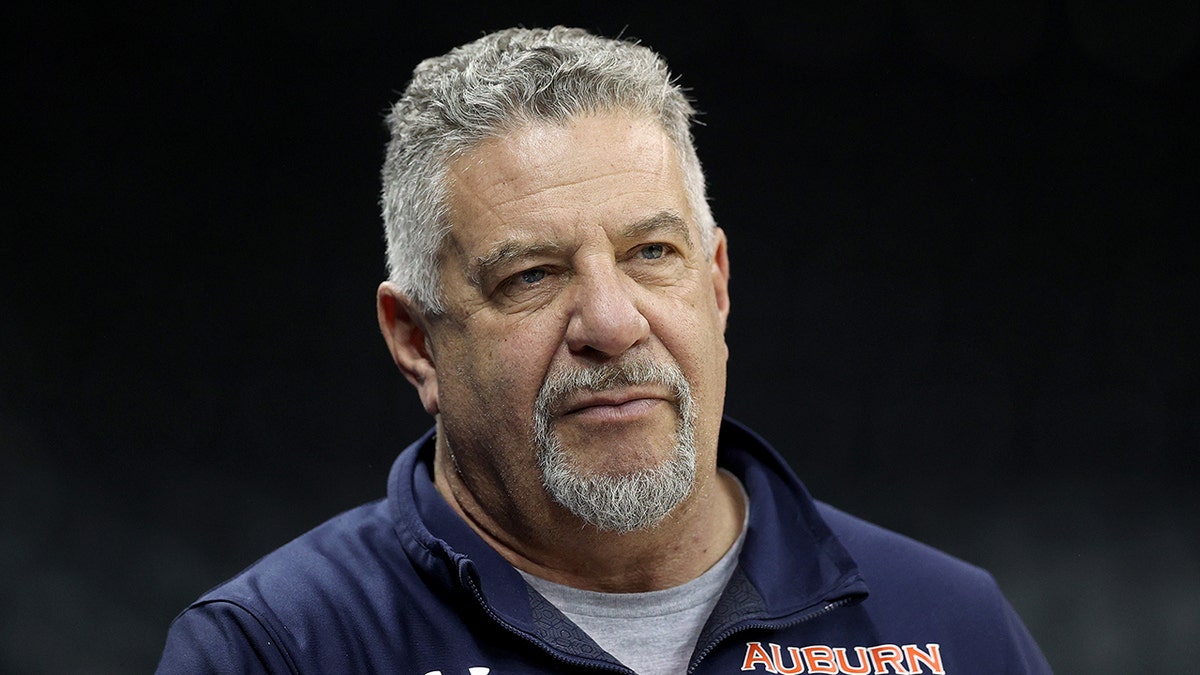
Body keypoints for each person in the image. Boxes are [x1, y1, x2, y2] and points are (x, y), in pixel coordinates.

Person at [157, 26, 1052, 674]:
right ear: (417, 341)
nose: (611, 323)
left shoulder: (952, 628)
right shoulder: (275, 649)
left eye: (650, 254)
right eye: (533, 276)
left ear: (717, 284)